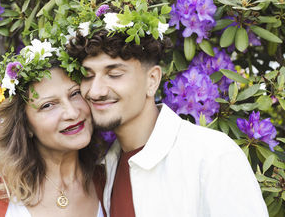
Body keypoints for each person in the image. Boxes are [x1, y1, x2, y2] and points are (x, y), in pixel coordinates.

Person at [67, 28, 269, 217]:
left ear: (152, 80)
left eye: (114, 75)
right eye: (88, 76)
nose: (95, 91)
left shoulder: (212, 155)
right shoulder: (106, 167)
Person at [0, 40, 106, 217]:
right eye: (48, 105)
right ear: (25, 125)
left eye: (75, 94)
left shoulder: (109, 182)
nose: (72, 113)